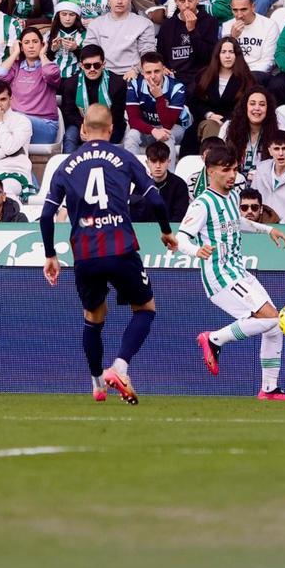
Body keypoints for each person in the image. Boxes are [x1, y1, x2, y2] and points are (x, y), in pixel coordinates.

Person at [41, 103, 179, 404]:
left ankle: (97, 384)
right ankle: (119, 367)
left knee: (93, 316)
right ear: (112, 128)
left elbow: (45, 215)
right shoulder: (124, 157)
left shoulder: (65, 165)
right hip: (120, 248)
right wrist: (166, 231)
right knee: (145, 309)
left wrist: (50, 254)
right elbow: (155, 199)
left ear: (84, 131)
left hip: (85, 254)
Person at [182, 144, 285, 400]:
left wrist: (268, 230)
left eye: (234, 169)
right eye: (226, 170)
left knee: (274, 327)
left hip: (238, 270)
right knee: (271, 319)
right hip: (220, 275)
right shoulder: (203, 204)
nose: (232, 175)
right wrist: (195, 251)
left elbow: (238, 220)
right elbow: (181, 237)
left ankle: (269, 389)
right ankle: (214, 339)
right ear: (211, 171)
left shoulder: (233, 196)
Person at [0, 27, 61, 146]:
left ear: (42, 45)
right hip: (16, 124)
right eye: (26, 42)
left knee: (16, 119)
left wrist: (42, 55)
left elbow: (50, 74)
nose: (31, 46)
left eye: (35, 42)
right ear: (21, 47)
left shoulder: (50, 66)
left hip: (44, 125)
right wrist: (15, 53)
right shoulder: (16, 67)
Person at [123, 53, 191, 164]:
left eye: (157, 71)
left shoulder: (177, 87)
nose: (153, 76)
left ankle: (170, 178)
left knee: (166, 137)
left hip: (175, 128)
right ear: (142, 73)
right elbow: (133, 120)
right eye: (148, 72)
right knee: (131, 136)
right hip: (147, 128)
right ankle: (132, 176)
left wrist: (159, 97)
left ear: (164, 70)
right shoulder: (135, 85)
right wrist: (153, 130)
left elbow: (167, 124)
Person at [60, 44, 128, 150]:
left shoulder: (118, 83)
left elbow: (117, 115)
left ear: (103, 64)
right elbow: (69, 112)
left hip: (109, 125)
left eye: (96, 65)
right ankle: (70, 166)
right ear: (81, 66)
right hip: (81, 123)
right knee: (69, 137)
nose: (92, 69)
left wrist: (96, 132)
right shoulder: (70, 84)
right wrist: (84, 126)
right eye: (87, 66)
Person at [191, 37, 255, 147]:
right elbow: (195, 102)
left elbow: (246, 107)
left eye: (231, 52)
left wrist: (225, 121)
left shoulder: (247, 78)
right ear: (218, 55)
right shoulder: (204, 75)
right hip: (206, 122)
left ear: (237, 55)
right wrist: (209, 115)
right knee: (211, 125)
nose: (227, 56)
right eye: (223, 52)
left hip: (235, 124)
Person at [157, 0, 219, 91]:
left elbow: (209, 57)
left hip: (200, 76)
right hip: (174, 77)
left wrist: (192, 31)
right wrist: (163, 67)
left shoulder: (210, 22)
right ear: (175, 1)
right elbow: (161, 55)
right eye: (182, 0)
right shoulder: (167, 25)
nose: (186, 5)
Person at [85, 0, 157, 77]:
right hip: (103, 73)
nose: (119, 1)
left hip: (133, 74)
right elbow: (89, 51)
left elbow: (148, 53)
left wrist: (136, 70)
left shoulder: (144, 23)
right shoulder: (96, 24)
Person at [222, 84, 279, 179]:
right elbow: (219, 160)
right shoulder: (228, 127)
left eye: (262, 104)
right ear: (245, 107)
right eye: (252, 103)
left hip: (265, 184)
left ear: (268, 109)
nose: (257, 108)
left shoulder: (278, 129)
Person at [222, 0, 278, 79]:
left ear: (253, 7)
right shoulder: (227, 26)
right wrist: (232, 38)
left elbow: (268, 61)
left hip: (258, 73)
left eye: (244, 9)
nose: (239, 15)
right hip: (234, 72)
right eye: (235, 10)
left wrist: (248, 76)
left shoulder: (269, 25)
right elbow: (224, 58)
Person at [129, 141, 190, 223]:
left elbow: (179, 217)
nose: (158, 166)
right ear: (147, 163)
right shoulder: (141, 185)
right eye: (154, 161)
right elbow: (135, 216)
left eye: (162, 161)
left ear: (168, 162)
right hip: (144, 231)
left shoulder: (179, 185)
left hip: (171, 232)